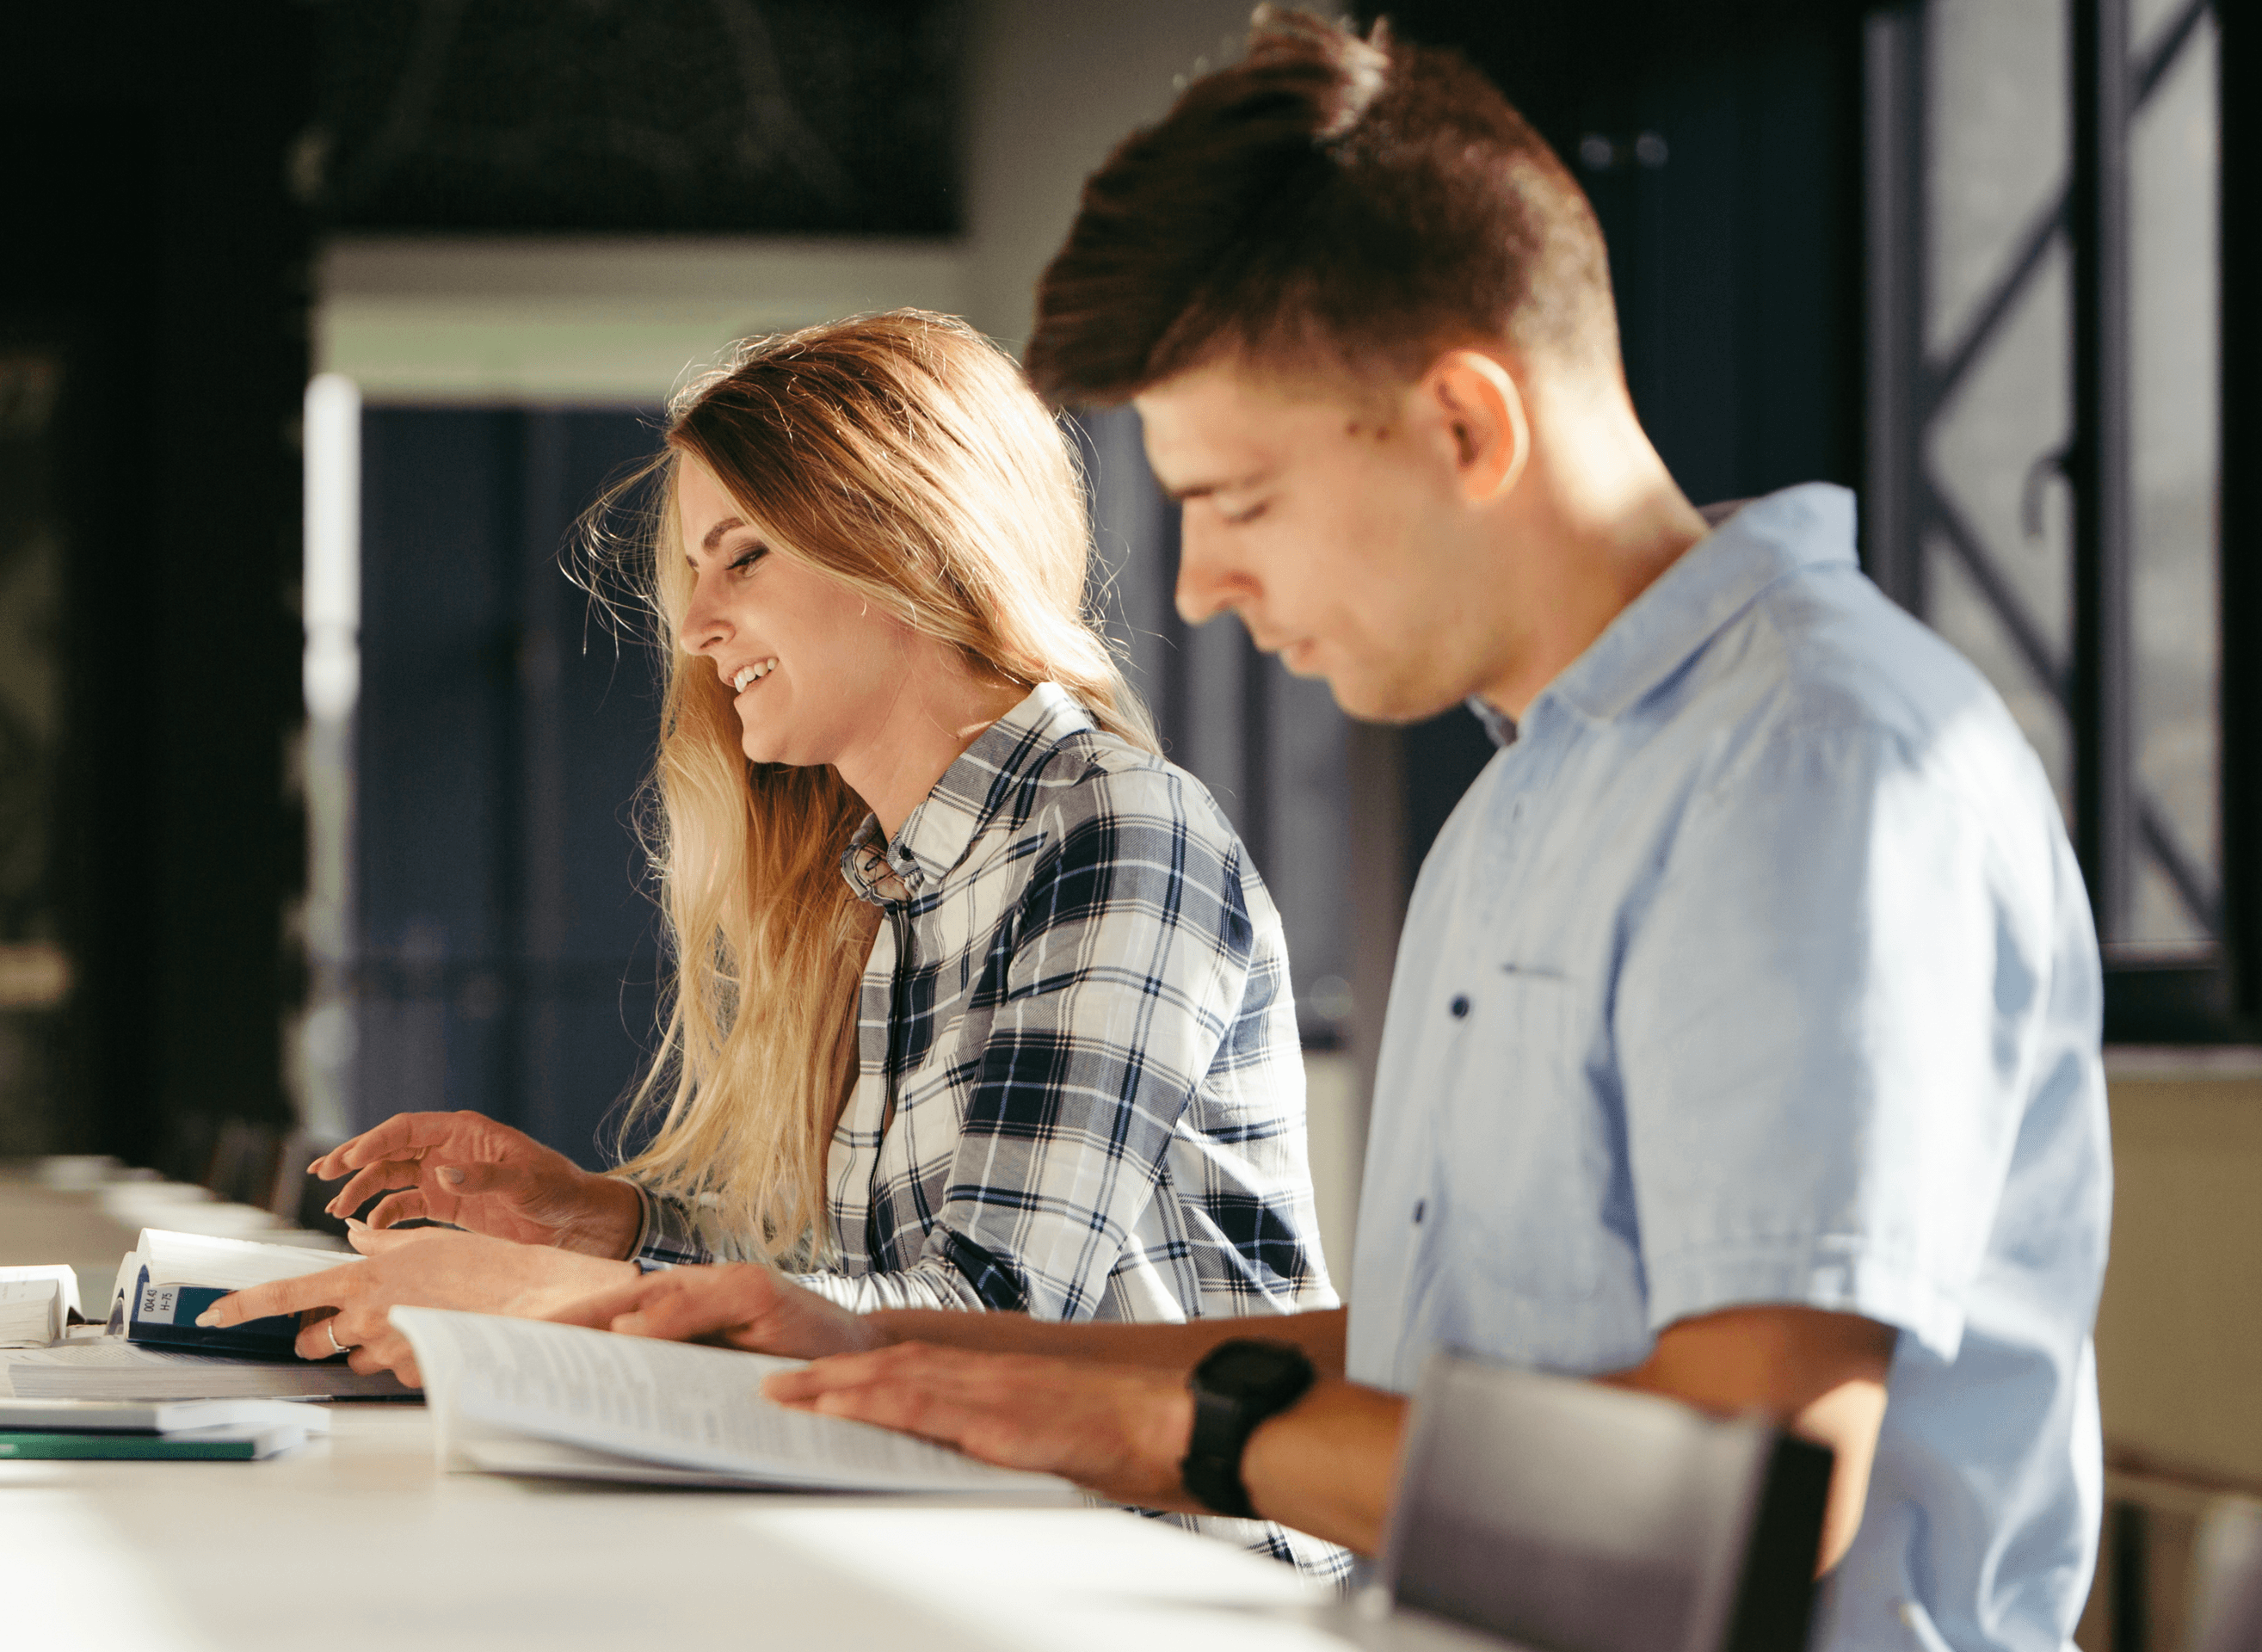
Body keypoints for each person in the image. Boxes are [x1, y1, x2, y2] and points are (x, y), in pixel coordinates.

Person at [558, 13, 2110, 1652]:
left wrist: (1186, 1435)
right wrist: (892, 1364)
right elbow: (1461, 1366)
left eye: (1238, 502)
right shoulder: (1540, 790)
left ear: (1465, 422)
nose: (1200, 590)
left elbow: (1741, 1490)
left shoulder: (1807, 771)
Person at [206, 309, 1347, 1572]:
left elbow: (994, 1324)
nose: (695, 627)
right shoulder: (895, 873)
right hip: (992, 1559)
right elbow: (854, 1287)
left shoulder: (1113, 831)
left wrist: (537, 1312)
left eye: (739, 559)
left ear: (904, 542)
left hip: (1183, 1590)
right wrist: (601, 1226)